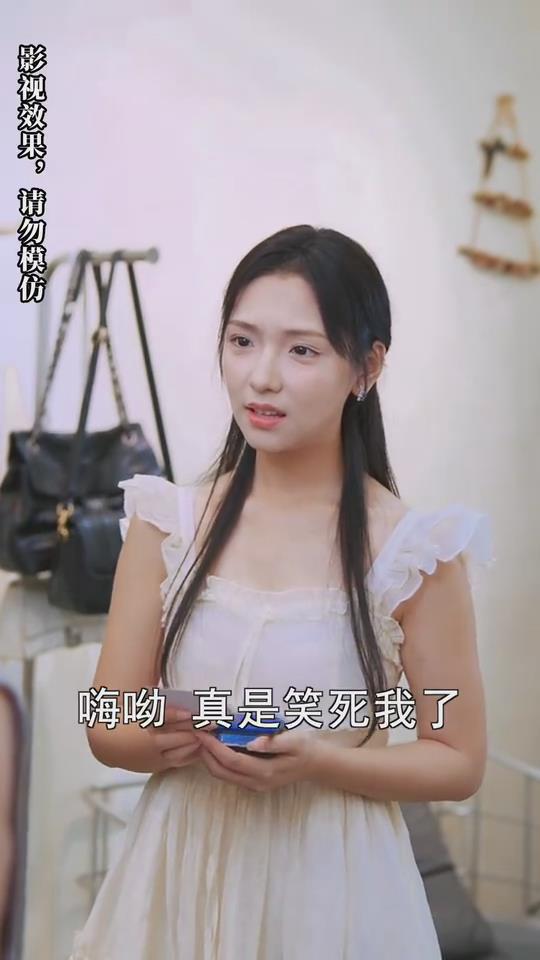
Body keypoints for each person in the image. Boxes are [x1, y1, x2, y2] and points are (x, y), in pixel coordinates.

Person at [69, 224, 494, 959]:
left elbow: (457, 758)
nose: (261, 377)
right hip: (180, 872)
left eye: (302, 350)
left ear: (366, 367)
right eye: (243, 341)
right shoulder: (166, 523)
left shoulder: (415, 553)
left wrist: (320, 761)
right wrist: (181, 734)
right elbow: (108, 722)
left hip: (336, 888)